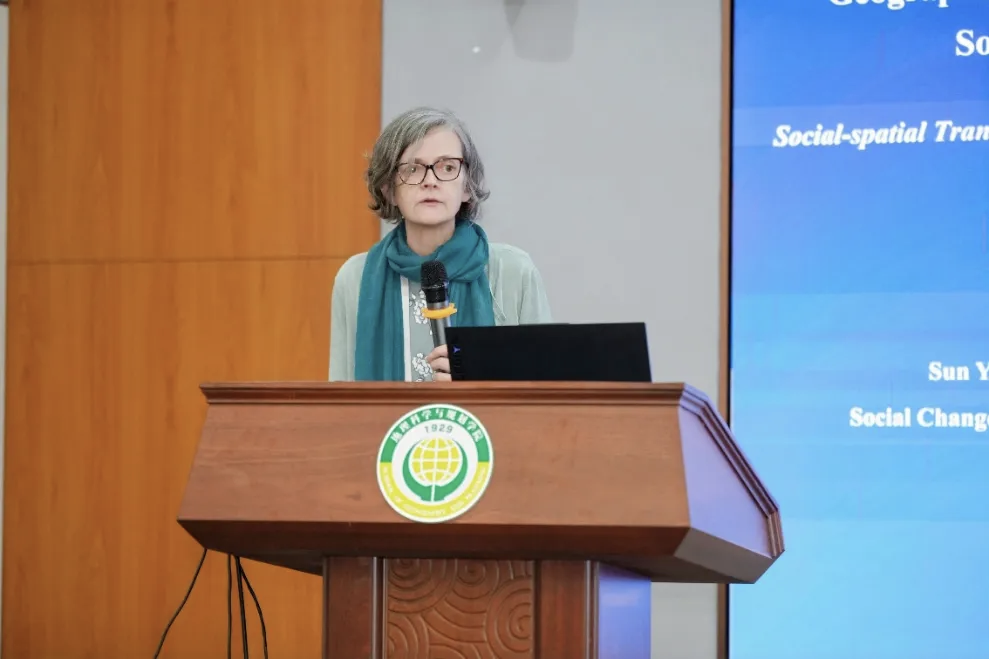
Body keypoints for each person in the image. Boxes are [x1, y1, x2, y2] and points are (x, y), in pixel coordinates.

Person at [328, 106, 552, 382]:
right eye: (412, 169)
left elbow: (545, 387)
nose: (430, 181)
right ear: (389, 190)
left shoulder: (513, 271)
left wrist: (479, 375)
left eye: (447, 167)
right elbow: (341, 394)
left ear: (467, 186)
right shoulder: (355, 277)